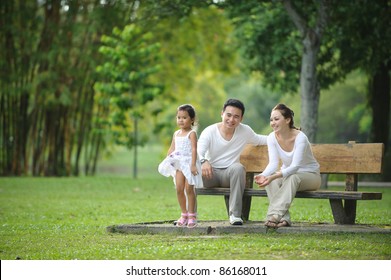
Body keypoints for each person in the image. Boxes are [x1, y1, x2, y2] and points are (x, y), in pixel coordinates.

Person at [197, 98, 267, 225]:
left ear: (241, 118)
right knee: (187, 170)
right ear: (222, 114)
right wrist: (203, 161)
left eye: (236, 116)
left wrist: (284, 135)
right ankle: (188, 215)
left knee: (238, 167)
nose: (231, 120)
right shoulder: (210, 131)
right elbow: (198, 151)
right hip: (209, 174)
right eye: (228, 115)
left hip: (229, 175)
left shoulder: (245, 131)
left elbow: (261, 139)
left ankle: (235, 215)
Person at [254, 103, 321, 228]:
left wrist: (274, 176)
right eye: (271, 120)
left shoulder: (300, 138)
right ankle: (284, 219)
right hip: (288, 176)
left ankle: (273, 216)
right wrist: (263, 175)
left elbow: (295, 167)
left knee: (292, 177)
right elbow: (273, 163)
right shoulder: (271, 137)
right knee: (270, 181)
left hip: (311, 176)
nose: (273, 122)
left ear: (287, 120)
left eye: (276, 119)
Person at [158, 104, 202, 228]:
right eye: (179, 117)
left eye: (184, 117)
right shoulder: (176, 134)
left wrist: (193, 165)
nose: (181, 120)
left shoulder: (192, 134)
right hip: (179, 164)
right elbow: (172, 148)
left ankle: (192, 215)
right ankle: (184, 214)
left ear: (192, 120)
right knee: (179, 188)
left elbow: (194, 150)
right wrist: (168, 160)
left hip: (189, 163)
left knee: (189, 189)